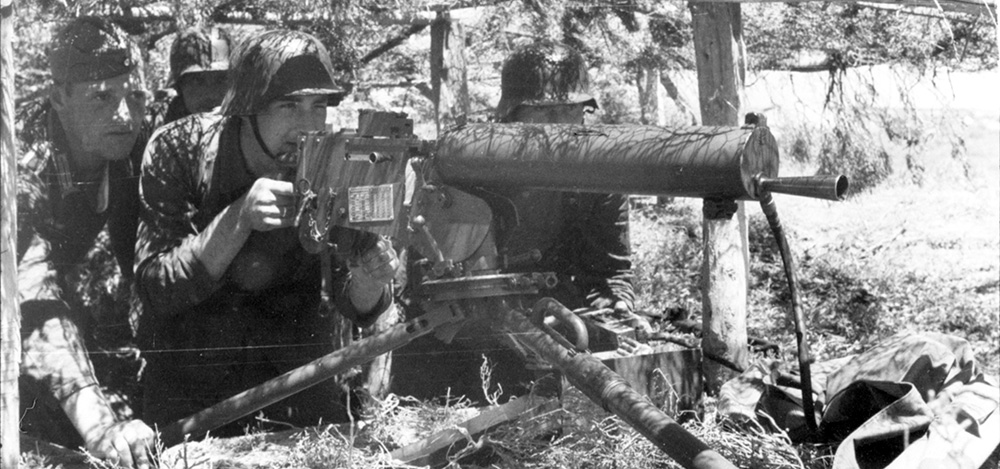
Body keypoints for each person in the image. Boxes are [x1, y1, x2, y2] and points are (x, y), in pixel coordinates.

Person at [134, 29, 398, 436]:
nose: (307, 124)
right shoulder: (180, 149)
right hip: (192, 393)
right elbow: (156, 288)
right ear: (247, 108)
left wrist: (370, 278)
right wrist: (238, 219)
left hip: (297, 387)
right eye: (288, 106)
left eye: (318, 106)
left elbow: (357, 304)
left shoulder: (335, 159)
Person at [391, 41, 640, 403]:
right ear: (512, 116)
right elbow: (428, 284)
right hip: (462, 342)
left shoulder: (599, 176)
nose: (559, 128)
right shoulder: (467, 167)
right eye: (545, 113)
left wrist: (617, 305)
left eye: (569, 111)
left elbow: (610, 271)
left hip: (555, 330)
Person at [15, 16, 156, 469]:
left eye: (135, 96)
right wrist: (99, 425)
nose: (125, 115)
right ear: (59, 99)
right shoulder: (20, 162)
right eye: (102, 97)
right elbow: (32, 289)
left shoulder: (132, 143)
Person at [157, 26, 232, 124]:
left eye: (220, 80)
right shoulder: (164, 129)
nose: (210, 93)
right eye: (198, 81)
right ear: (180, 87)